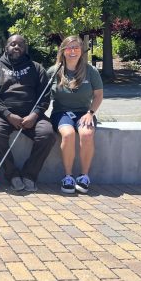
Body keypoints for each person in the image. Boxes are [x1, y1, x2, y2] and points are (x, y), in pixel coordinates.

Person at [0, 35, 56, 192]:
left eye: (20, 45)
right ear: (6, 47)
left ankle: (30, 175)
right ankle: (13, 175)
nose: (16, 47)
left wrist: (35, 114)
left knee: (47, 134)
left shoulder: (37, 69)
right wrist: (8, 115)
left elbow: (45, 95)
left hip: (31, 116)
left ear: (25, 49)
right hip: (2, 115)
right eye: (12, 44)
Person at [48, 36, 103, 194]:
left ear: (81, 51)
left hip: (84, 113)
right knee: (68, 134)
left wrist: (90, 113)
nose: (73, 51)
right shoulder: (54, 71)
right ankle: (68, 177)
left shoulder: (90, 71)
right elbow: (42, 94)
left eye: (76, 48)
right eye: (69, 48)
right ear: (63, 51)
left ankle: (84, 177)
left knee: (86, 134)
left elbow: (98, 95)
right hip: (61, 112)